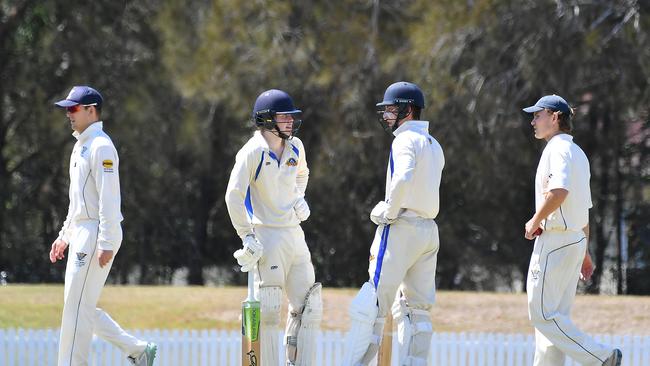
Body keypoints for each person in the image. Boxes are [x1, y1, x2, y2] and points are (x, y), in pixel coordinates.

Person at [50, 86, 157, 366]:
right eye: (67, 109)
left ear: (91, 110)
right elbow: (77, 203)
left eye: (73, 108)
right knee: (79, 306)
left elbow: (109, 200)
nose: (68, 114)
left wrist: (106, 242)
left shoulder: (101, 146)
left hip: (97, 231)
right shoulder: (80, 145)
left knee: (76, 308)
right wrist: (64, 236)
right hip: (84, 231)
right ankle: (138, 350)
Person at [344, 81, 444, 366]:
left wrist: (389, 210)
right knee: (418, 312)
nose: (387, 115)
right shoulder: (433, 143)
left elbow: (403, 177)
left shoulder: (404, 139)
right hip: (428, 231)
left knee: (371, 305)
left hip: (401, 228)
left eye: (391, 109)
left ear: (407, 110)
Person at [523, 94, 622, 366]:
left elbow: (559, 192)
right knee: (554, 323)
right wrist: (585, 251)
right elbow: (584, 209)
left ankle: (601, 357)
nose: (533, 121)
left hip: (555, 241)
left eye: (537, 115)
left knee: (542, 315)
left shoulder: (557, 150)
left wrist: (535, 220)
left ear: (555, 117)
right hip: (574, 240)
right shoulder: (577, 152)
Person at [225, 89, 322, 366]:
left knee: (309, 306)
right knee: (269, 310)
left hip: (294, 234)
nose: (290, 121)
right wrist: (246, 235)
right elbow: (233, 195)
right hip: (266, 235)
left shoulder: (296, 147)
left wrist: (298, 197)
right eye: (284, 116)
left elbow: (302, 174)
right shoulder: (252, 152)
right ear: (266, 119)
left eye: (291, 116)